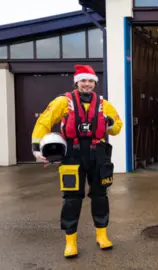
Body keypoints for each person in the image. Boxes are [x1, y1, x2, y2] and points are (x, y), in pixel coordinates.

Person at [31, 65, 123, 258]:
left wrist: (111, 123)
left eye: (90, 81)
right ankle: (70, 241)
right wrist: (36, 147)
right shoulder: (62, 102)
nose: (87, 84)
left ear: (95, 83)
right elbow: (44, 122)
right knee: (72, 198)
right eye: (83, 81)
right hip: (72, 153)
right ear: (77, 82)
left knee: (100, 195)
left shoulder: (104, 104)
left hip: (98, 153)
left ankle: (102, 235)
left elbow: (117, 127)